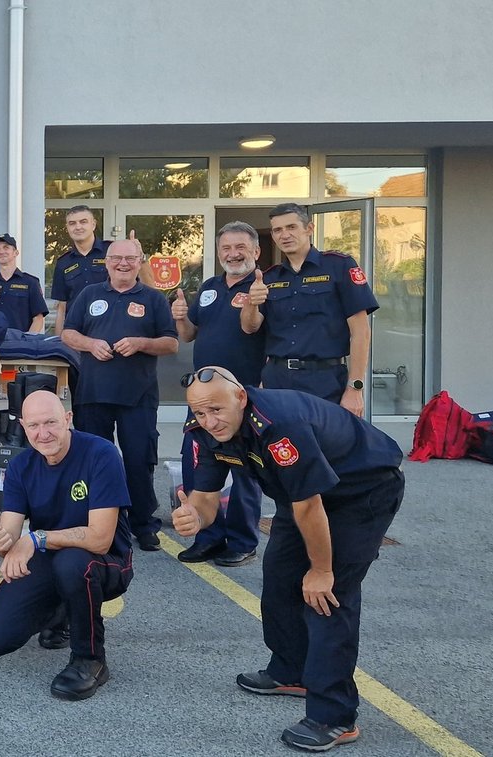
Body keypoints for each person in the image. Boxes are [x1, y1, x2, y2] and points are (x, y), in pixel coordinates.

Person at [178, 366, 405, 753]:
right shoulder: (206, 426)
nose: (209, 421)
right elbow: (206, 498)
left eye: (215, 410)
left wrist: (321, 570)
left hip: (361, 491)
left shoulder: (280, 426)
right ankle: (292, 670)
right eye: (200, 413)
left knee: (328, 597)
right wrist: (195, 518)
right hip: (298, 493)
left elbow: (311, 506)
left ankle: (334, 716)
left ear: (241, 397)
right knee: (281, 578)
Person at [0, 390, 133, 701]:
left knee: (72, 563)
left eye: (50, 422)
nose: (43, 433)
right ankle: (63, 610)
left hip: (106, 561)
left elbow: (100, 538)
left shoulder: (100, 454)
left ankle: (90, 659)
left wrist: (36, 538)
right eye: (34, 425)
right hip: (53, 558)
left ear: (68, 419)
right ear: (23, 426)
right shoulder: (21, 466)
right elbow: (10, 535)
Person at [61, 238, 178, 551]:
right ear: (107, 262)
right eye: (116, 258)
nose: (123, 264)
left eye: (130, 258)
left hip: (138, 396)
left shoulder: (153, 298)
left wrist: (141, 343)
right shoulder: (89, 294)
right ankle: (96, 523)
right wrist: (90, 344)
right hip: (93, 394)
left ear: (139, 261)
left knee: (139, 461)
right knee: (93, 462)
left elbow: (171, 343)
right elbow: (68, 333)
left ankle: (143, 525)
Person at [170, 222, 266, 567]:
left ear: (256, 251)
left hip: (242, 397)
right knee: (197, 465)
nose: (233, 254)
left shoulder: (262, 288)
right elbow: (188, 334)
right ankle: (207, 536)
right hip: (203, 395)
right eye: (226, 248)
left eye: (240, 247)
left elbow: (251, 327)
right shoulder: (209, 287)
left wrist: (252, 303)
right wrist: (180, 317)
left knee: (245, 472)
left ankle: (242, 541)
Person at [243, 203, 379, 417]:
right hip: (277, 380)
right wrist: (252, 302)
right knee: (280, 438)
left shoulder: (339, 266)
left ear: (309, 228)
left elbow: (361, 332)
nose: (284, 235)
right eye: (277, 230)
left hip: (325, 380)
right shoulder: (269, 277)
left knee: (327, 438)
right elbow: (250, 327)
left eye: (291, 227)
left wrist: (355, 388)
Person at [49, 206, 111, 337]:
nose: (78, 227)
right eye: (72, 223)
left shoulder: (112, 251)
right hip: (77, 332)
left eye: (83, 222)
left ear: (93, 224)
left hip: (110, 326)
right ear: (67, 227)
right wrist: (59, 340)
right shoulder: (63, 262)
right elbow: (62, 307)